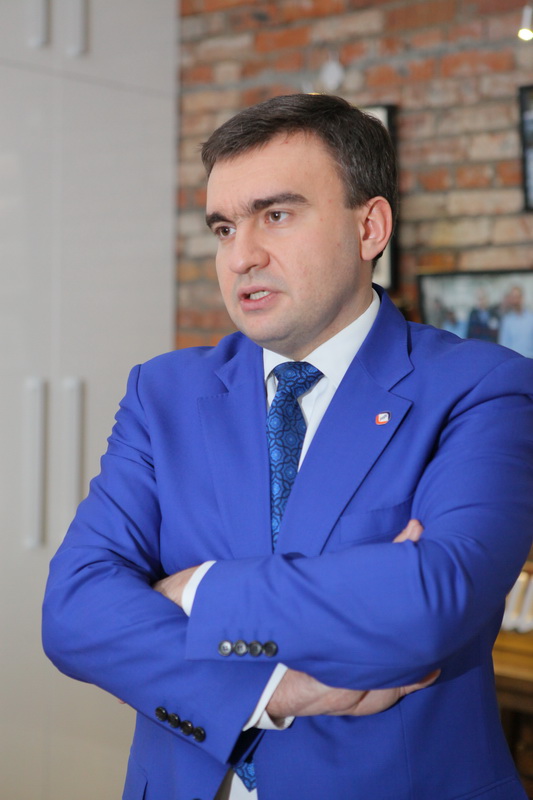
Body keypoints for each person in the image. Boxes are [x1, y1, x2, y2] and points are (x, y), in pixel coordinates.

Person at [42, 94, 533, 800]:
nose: (241, 257)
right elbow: (74, 610)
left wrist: (195, 590)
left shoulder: (481, 387)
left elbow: (434, 596)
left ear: (369, 227)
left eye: (275, 215)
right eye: (223, 227)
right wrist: (273, 690)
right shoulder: (163, 393)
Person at [499, 285, 533, 358]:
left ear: (522, 298)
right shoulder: (507, 321)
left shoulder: (531, 319)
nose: (516, 301)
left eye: (517, 297)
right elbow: (504, 345)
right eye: (513, 297)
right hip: (514, 361)